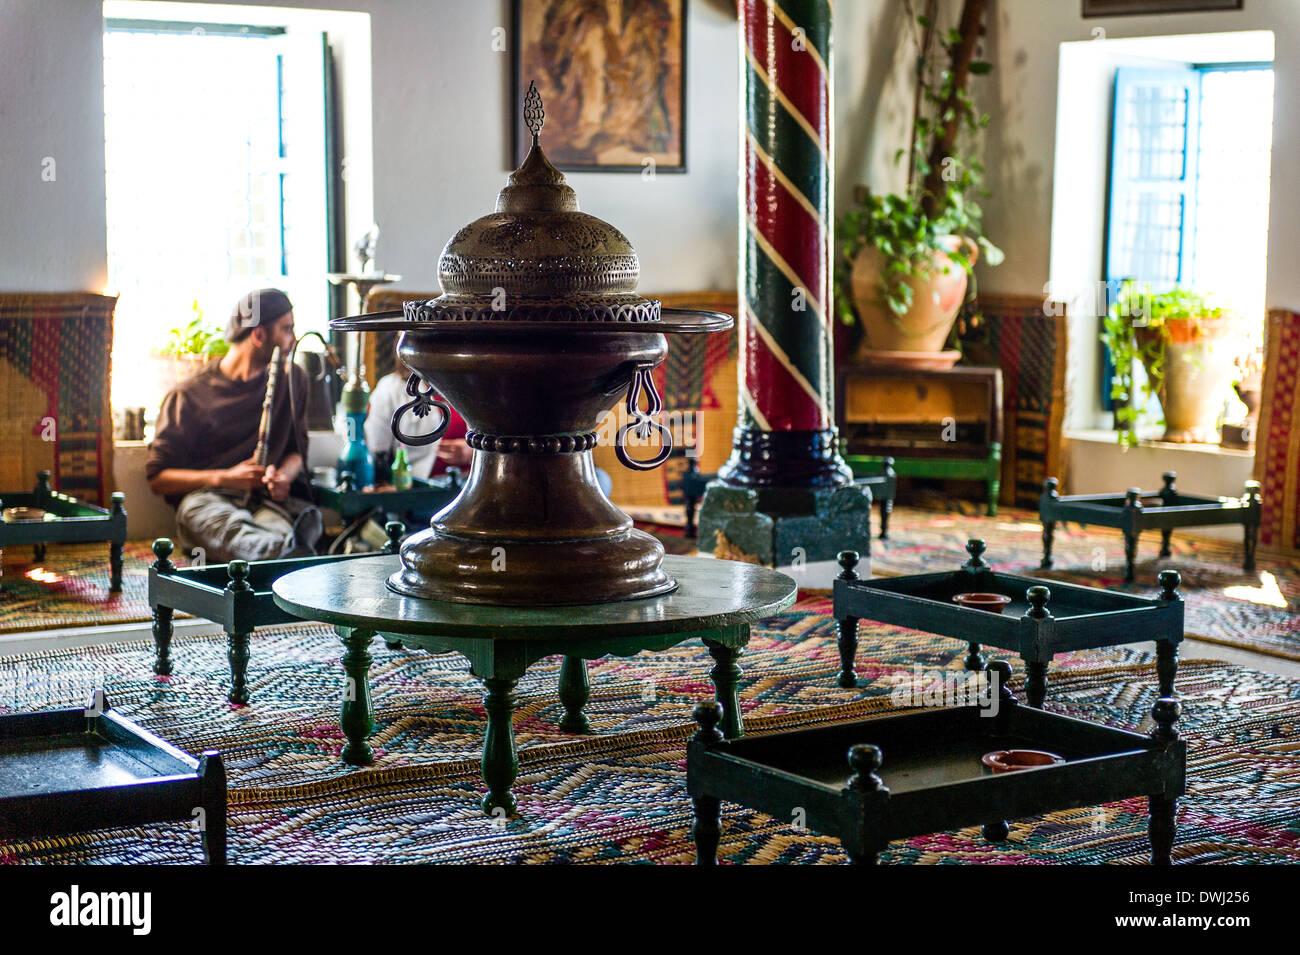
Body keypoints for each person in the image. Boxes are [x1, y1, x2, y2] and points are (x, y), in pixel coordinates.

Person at [147, 288, 322, 563]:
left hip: (263, 504)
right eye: (286, 330)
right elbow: (159, 480)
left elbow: (296, 451)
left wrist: (283, 477)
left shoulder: (293, 379)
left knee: (278, 527)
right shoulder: (190, 395)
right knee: (224, 526)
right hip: (208, 502)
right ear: (258, 334)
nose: (294, 340)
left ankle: (286, 550)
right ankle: (288, 555)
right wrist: (224, 478)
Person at [363, 370, 471, 480]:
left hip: (469, 481)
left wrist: (471, 452)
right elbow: (377, 453)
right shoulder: (390, 387)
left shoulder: (470, 383)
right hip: (417, 486)